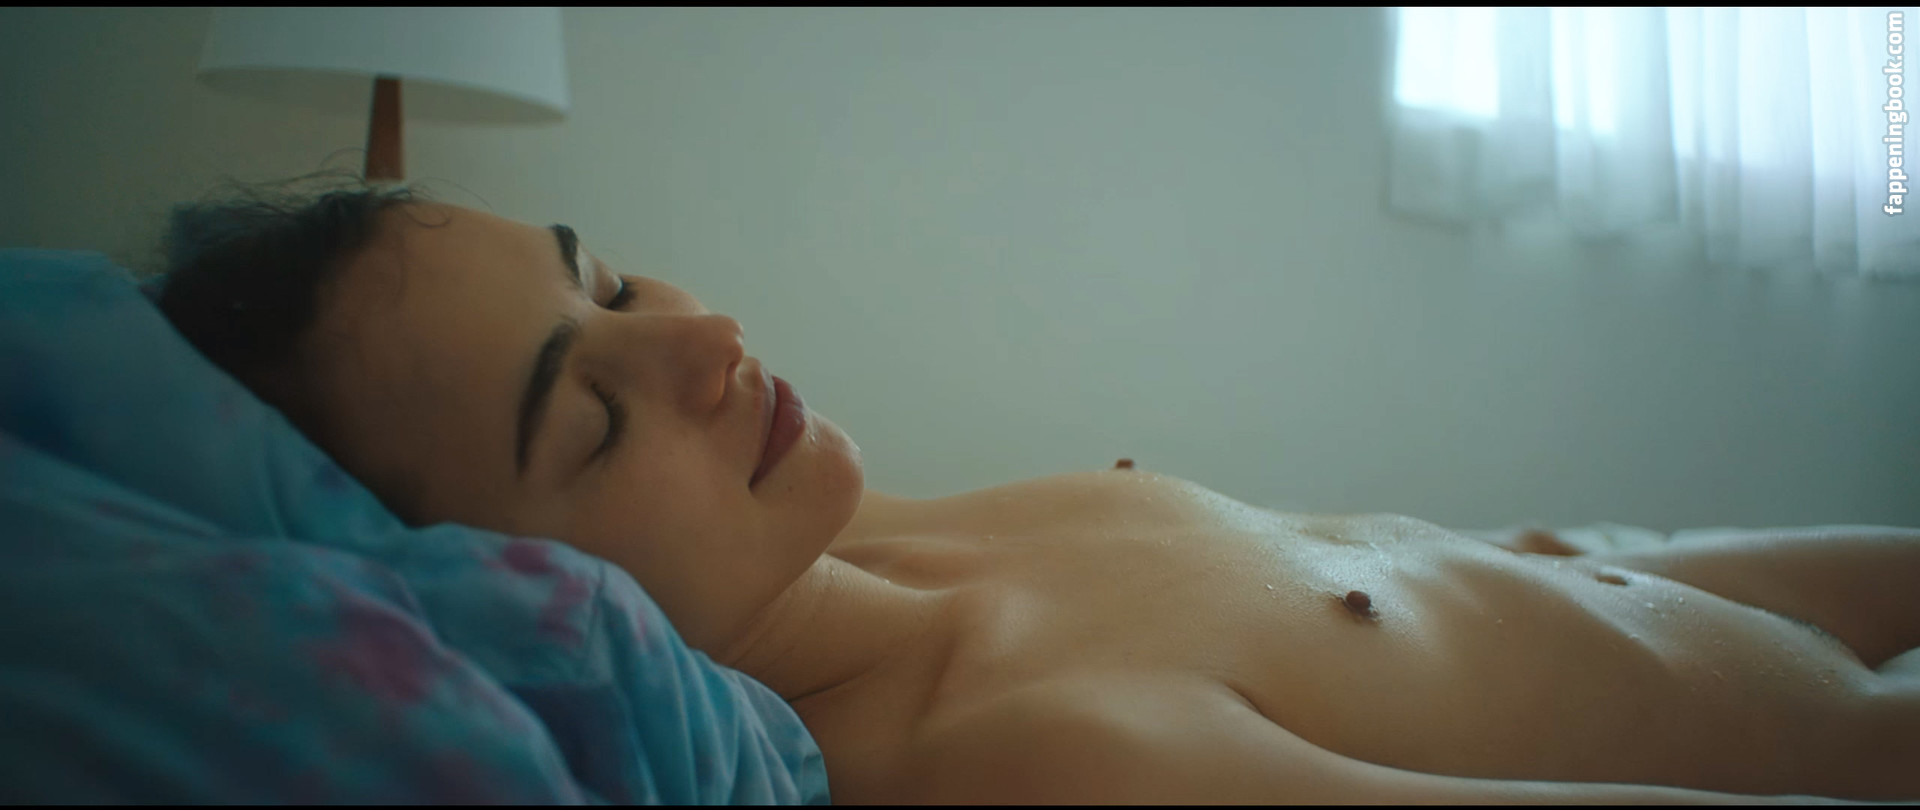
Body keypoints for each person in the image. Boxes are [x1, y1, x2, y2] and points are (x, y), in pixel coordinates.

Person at [153, 175, 1919, 804]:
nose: (703, 343)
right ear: (513, 597)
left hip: (1715, 578)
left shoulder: (859, 530)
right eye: (594, 420)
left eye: (606, 279)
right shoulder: (1034, 754)